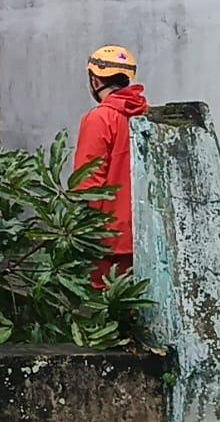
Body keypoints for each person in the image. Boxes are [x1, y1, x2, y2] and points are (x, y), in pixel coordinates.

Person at [75, 45, 148, 288]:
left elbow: (88, 182)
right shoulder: (145, 115)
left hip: (107, 235)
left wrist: (82, 229)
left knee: (105, 298)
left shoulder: (99, 119)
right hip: (144, 231)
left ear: (95, 81)